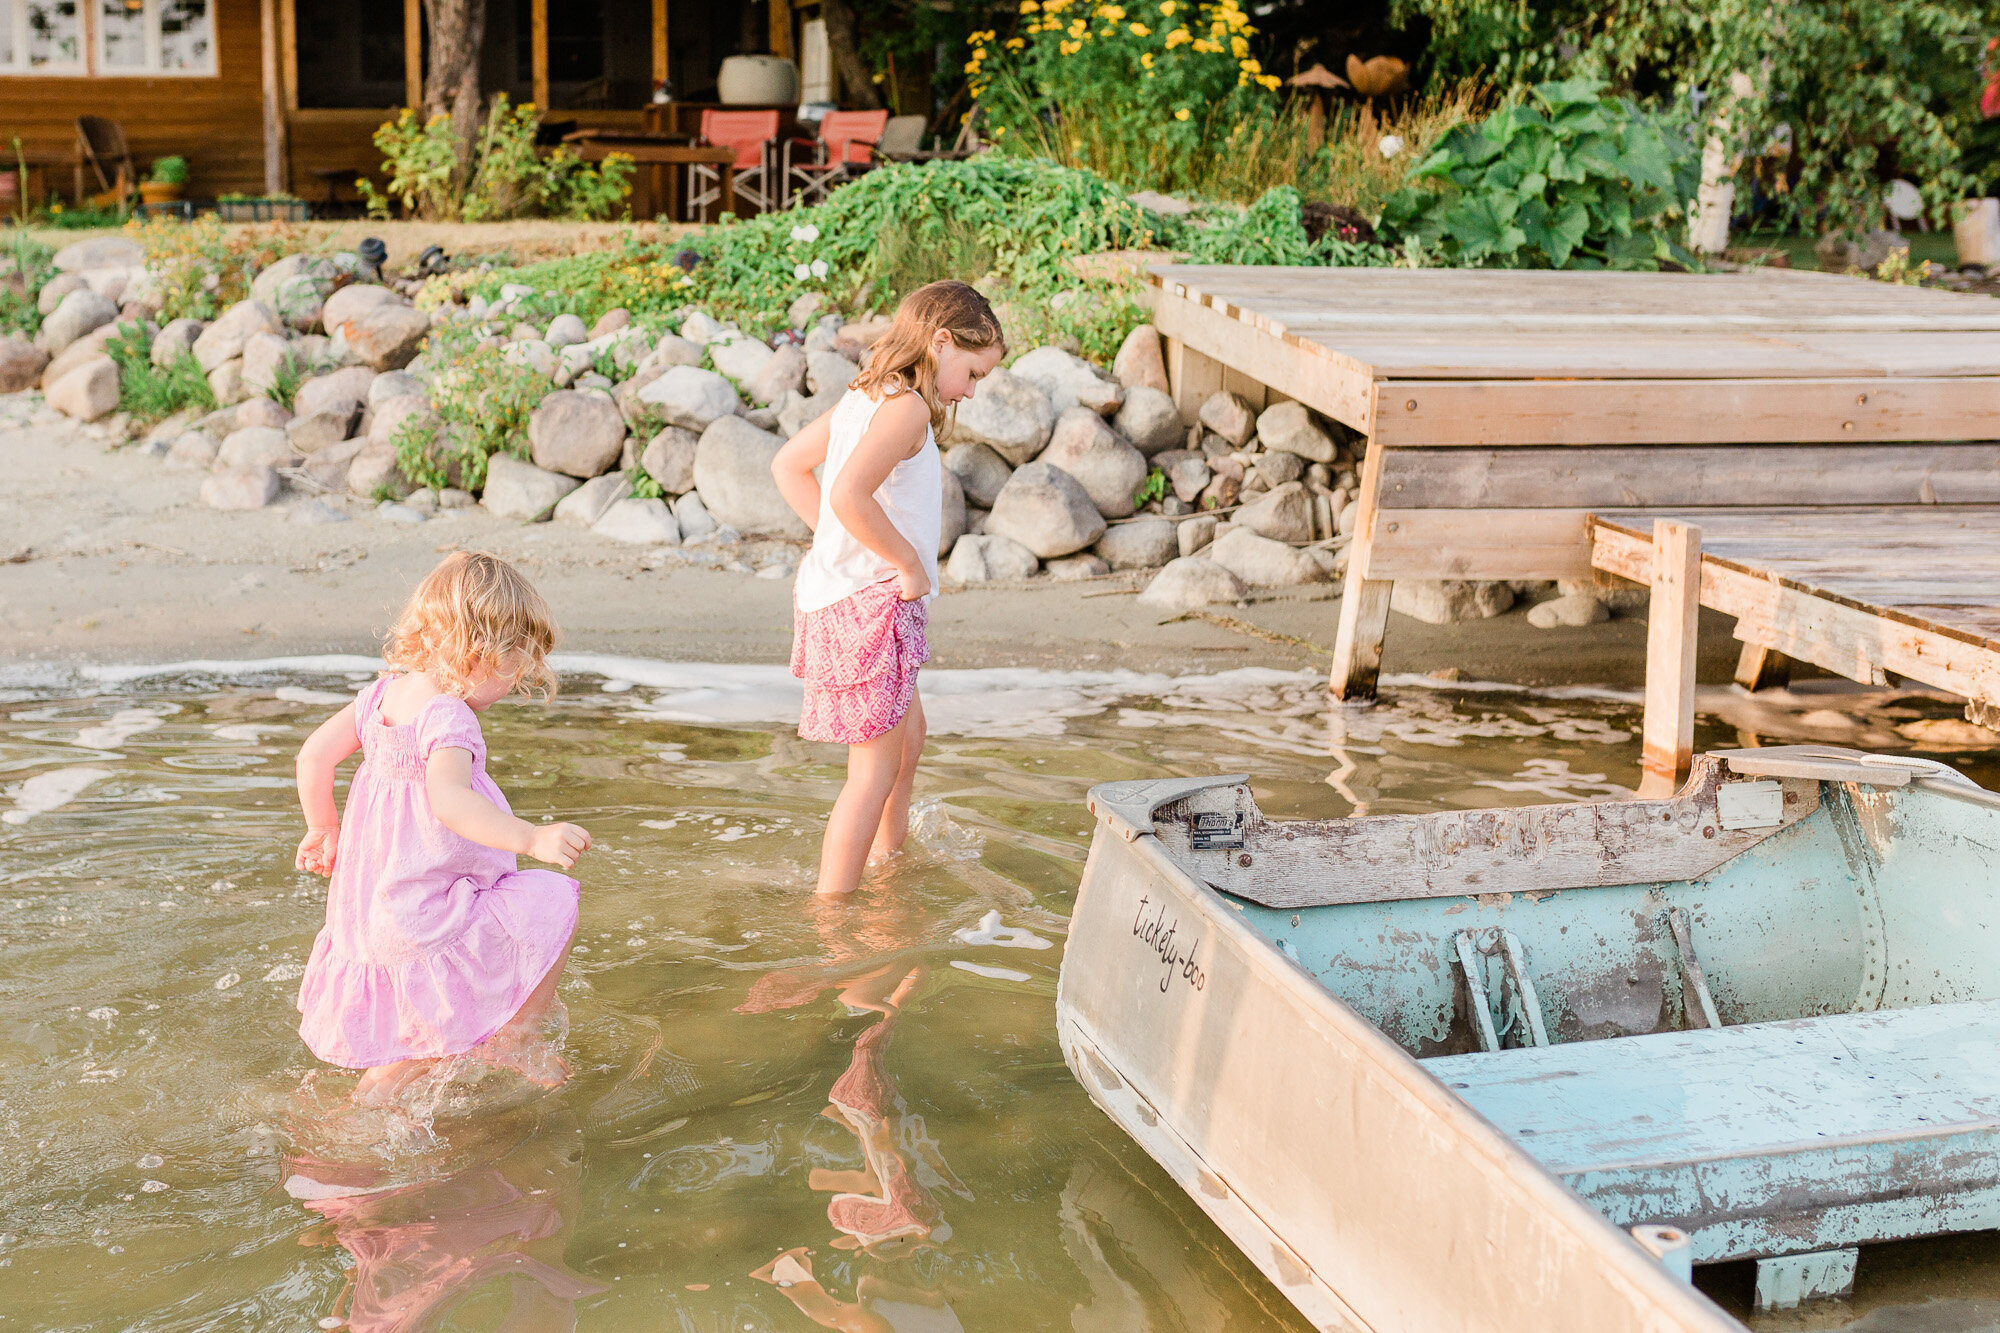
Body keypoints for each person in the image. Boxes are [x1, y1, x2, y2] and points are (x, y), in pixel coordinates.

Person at [291, 552, 590, 1102]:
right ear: (481, 653)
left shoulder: (381, 696)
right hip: (424, 908)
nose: (515, 682)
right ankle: (517, 1038)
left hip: (376, 906)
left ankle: (358, 1129)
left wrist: (323, 828)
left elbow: (313, 757)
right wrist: (532, 837)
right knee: (550, 900)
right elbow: (449, 801)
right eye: (515, 668)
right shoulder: (450, 716)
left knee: (411, 1038)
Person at [772, 280, 1005, 898]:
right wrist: (907, 563)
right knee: (870, 773)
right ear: (941, 341)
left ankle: (888, 860)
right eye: (973, 371)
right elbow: (847, 494)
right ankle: (834, 912)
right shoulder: (906, 409)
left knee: (910, 736)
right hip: (869, 607)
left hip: (847, 596)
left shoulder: (866, 394)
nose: (973, 390)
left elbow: (788, 466)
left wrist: (840, 544)